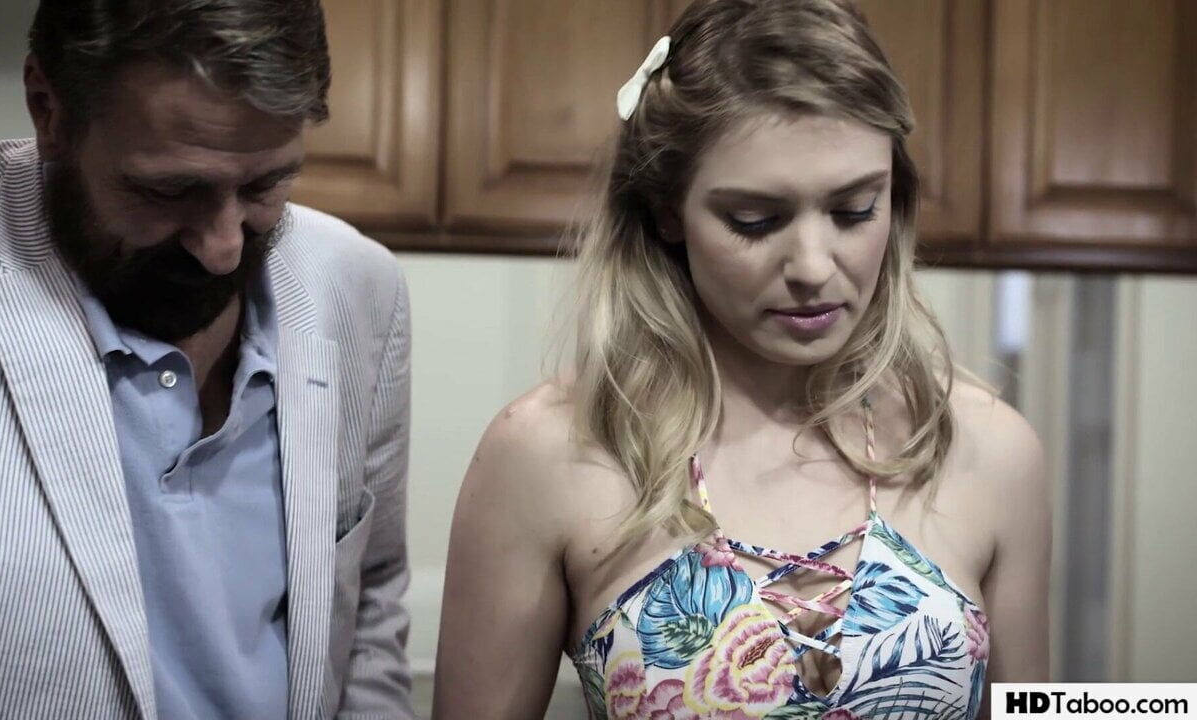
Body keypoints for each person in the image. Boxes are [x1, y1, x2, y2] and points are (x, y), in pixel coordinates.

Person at [433, 0, 1050, 717]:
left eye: (854, 210)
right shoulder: (550, 452)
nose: (813, 266)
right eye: (755, 221)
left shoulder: (990, 449)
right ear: (667, 211)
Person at [0, 1, 414, 718]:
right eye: (167, 191)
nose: (224, 248)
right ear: (48, 110)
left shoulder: (359, 287)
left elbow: (369, 603)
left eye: (264, 186)